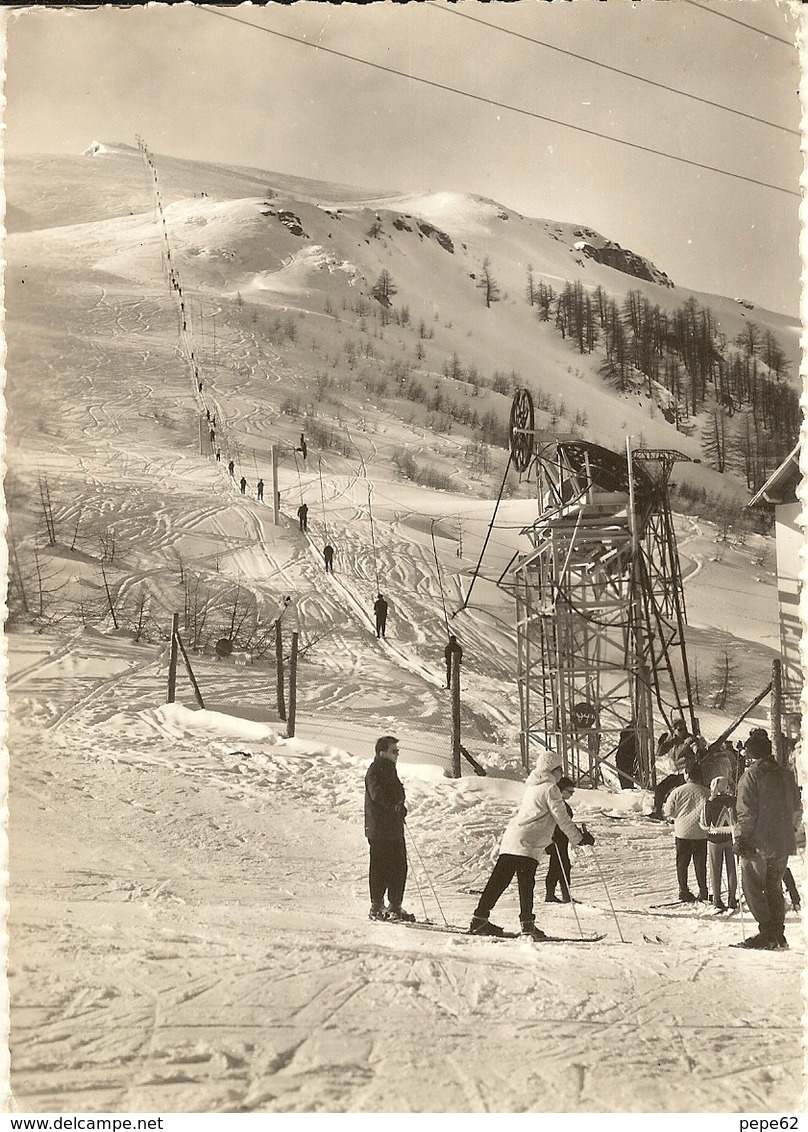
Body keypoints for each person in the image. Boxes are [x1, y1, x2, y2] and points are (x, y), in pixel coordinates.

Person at [469, 749, 594, 940]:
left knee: (498, 881)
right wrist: (581, 839)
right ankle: (527, 926)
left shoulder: (532, 787)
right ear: (552, 769)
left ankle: (479, 919)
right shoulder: (550, 789)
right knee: (526, 883)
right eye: (560, 769)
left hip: (513, 838)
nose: (562, 773)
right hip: (529, 842)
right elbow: (562, 819)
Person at [734, 728, 799, 950]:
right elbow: (797, 808)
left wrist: (742, 838)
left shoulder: (751, 776)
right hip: (783, 841)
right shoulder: (786, 774)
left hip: (759, 843)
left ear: (751, 755)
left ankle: (767, 932)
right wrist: (790, 829)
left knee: (752, 886)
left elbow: (746, 812)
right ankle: (777, 933)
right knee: (774, 886)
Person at [364, 735, 414, 922]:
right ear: (382, 752)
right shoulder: (375, 770)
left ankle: (395, 905)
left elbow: (396, 793)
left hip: (393, 828)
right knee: (380, 867)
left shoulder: (390, 769)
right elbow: (377, 795)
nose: (397, 754)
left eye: (397, 751)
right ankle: (376, 905)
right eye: (394, 751)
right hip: (379, 829)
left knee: (399, 867)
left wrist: (400, 805)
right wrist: (394, 806)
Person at [663, 763, 709, 902]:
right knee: (700, 863)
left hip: (682, 832)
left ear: (687, 775)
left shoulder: (677, 791)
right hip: (701, 832)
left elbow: (668, 812)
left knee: (682, 862)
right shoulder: (706, 792)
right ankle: (703, 890)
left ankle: (683, 889)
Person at [699, 775, 738, 912]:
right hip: (731, 837)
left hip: (714, 839)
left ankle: (717, 899)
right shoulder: (733, 800)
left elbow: (704, 823)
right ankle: (732, 899)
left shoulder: (709, 802)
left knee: (715, 870)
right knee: (732, 869)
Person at [650, 719, 695, 818]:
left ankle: (681, 815)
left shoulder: (689, 740)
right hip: (676, 772)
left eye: (684, 729)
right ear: (674, 730)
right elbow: (659, 753)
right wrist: (662, 743)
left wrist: (686, 760)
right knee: (660, 788)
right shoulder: (673, 740)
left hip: (687, 773)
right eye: (679, 729)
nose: (682, 731)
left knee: (678, 794)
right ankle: (657, 811)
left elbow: (698, 753)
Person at [545, 776, 577, 902]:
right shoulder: (556, 803)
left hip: (562, 839)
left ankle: (556, 894)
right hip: (555, 839)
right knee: (561, 865)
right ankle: (560, 895)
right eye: (570, 792)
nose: (571, 794)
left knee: (558, 866)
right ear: (561, 790)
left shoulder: (560, 802)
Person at [615, 726, 637, 790]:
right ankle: (628, 788)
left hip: (625, 759)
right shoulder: (628, 736)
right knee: (626, 776)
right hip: (625, 759)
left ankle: (628, 788)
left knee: (625, 776)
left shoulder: (626, 735)